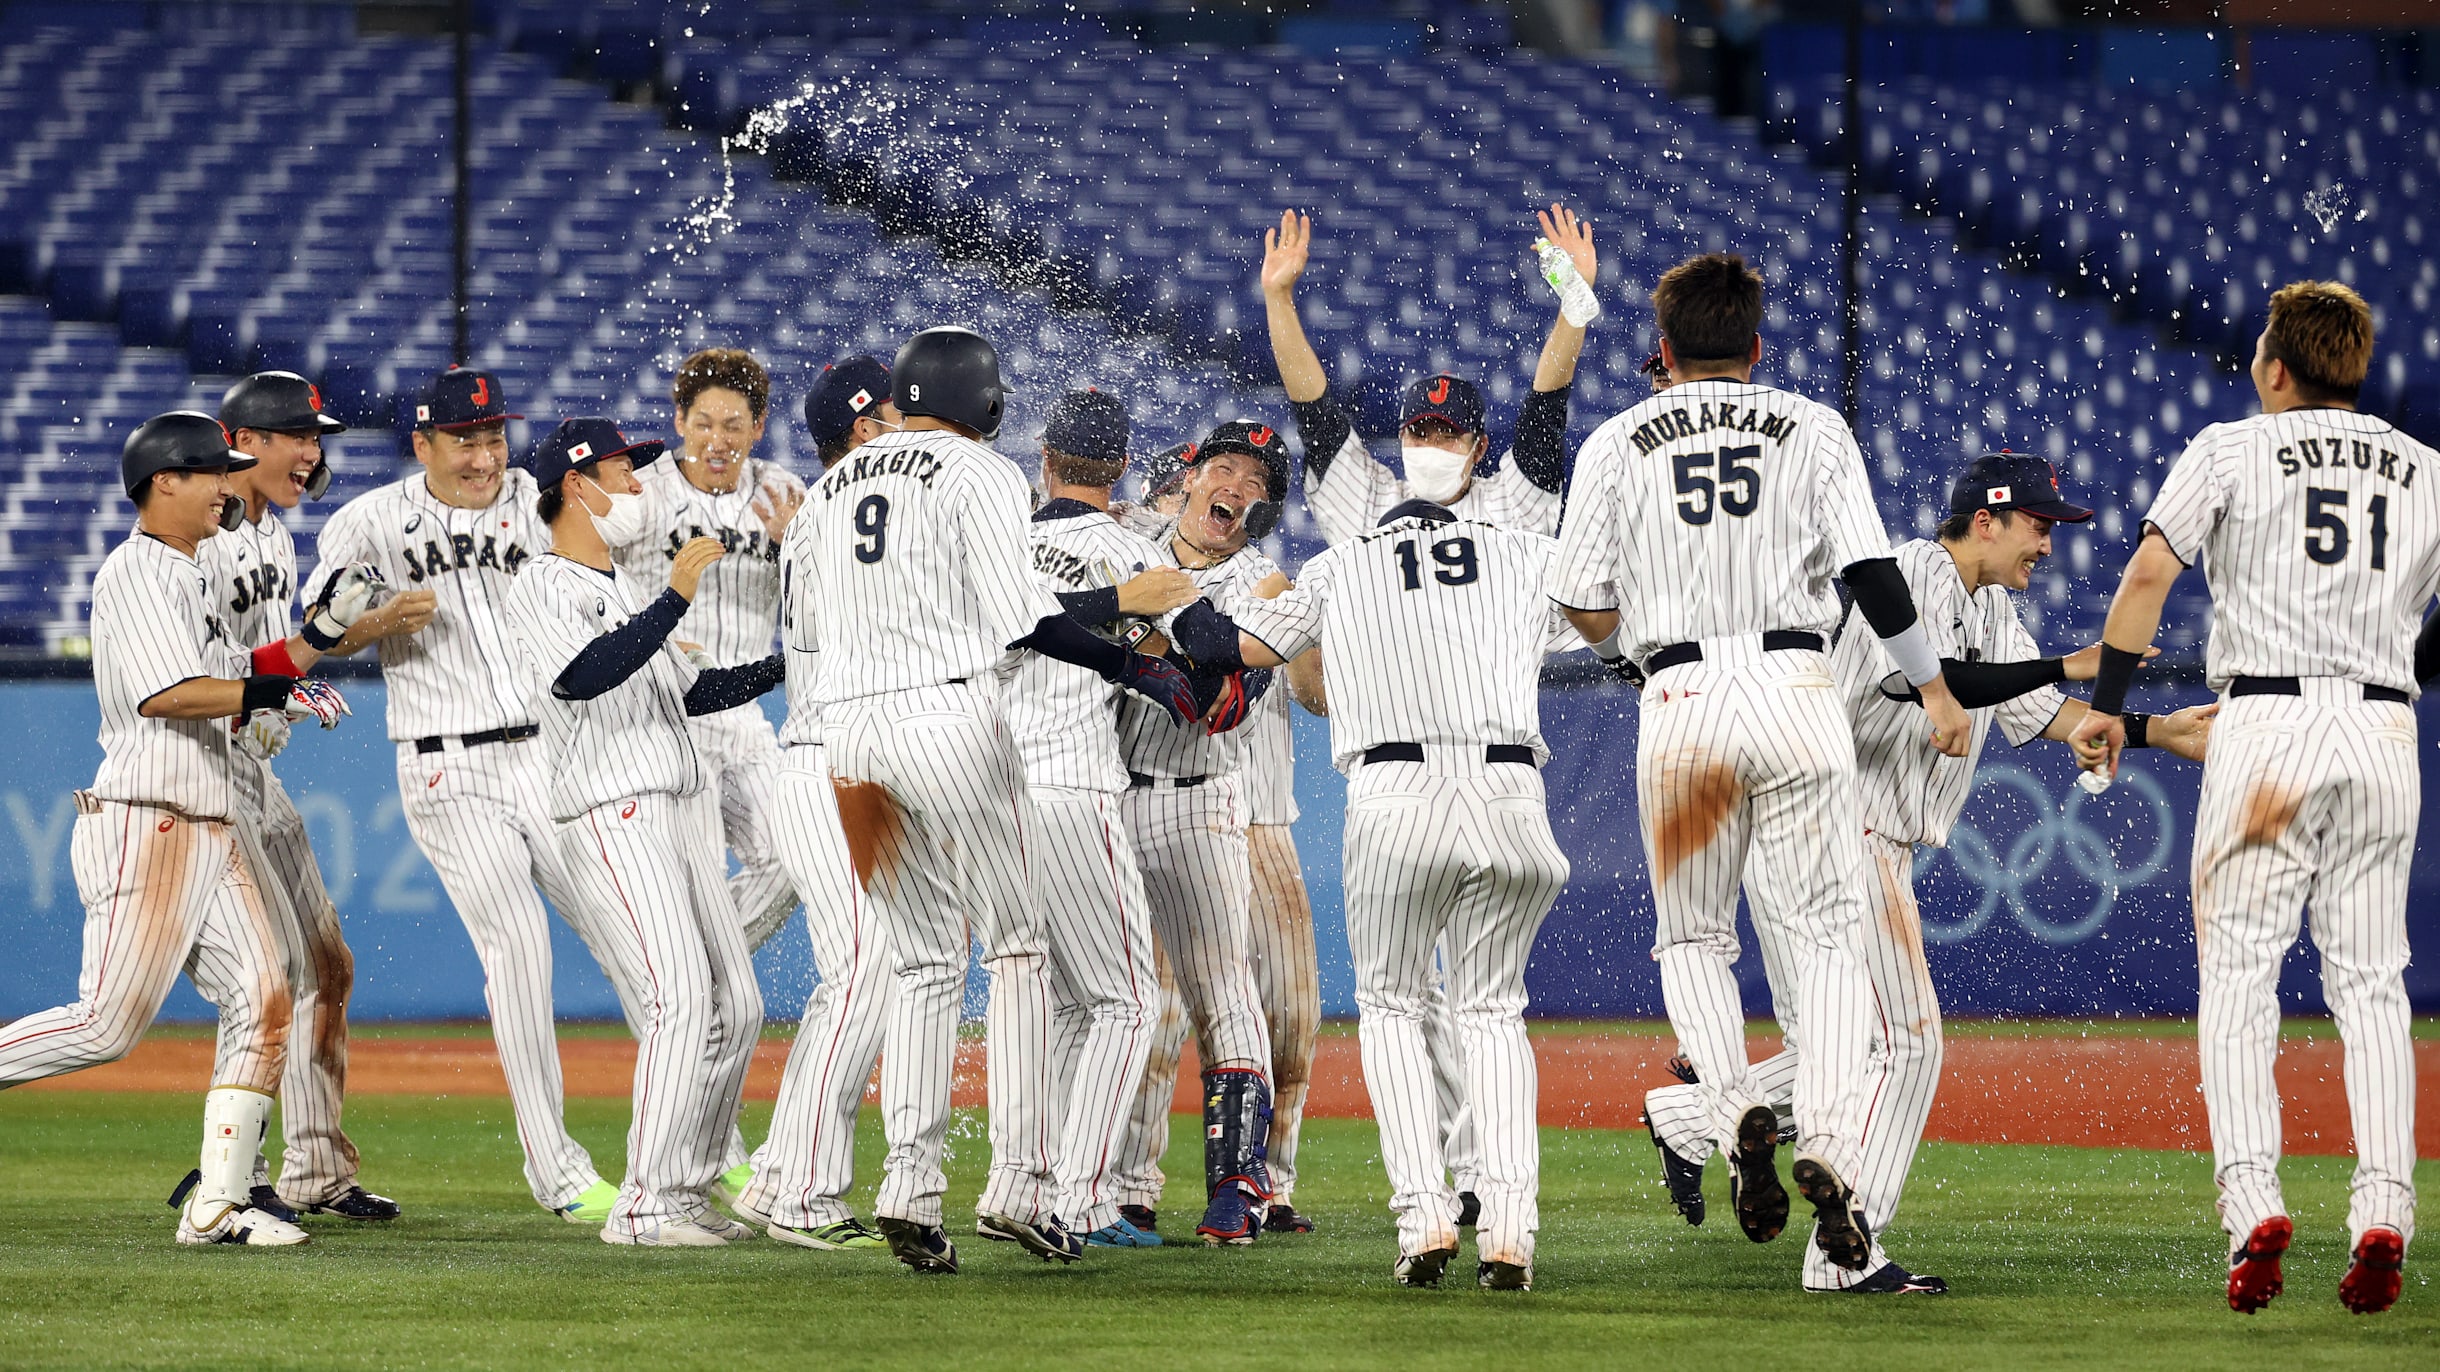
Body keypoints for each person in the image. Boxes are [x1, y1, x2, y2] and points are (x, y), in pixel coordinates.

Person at [1640, 453, 2215, 1293]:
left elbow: (2037, 710)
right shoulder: (1908, 574)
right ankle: (1845, 1255)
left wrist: (2159, 731)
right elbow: (1933, 684)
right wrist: (2068, 662)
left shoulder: (1990, 607)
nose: (2048, 544)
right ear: (1986, 518)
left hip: (1851, 838)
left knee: (1842, 1050)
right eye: (2039, 523)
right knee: (1908, 1045)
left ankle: (1692, 1121)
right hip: (1834, 832)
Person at [1549, 251, 1974, 1285]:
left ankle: (1732, 1099)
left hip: (1683, 695)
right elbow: (1874, 575)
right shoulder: (1811, 425)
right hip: (1799, 690)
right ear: (1755, 348)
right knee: (1827, 941)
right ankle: (1826, 1136)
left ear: (1661, 347)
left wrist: (1637, 644)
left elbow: (1578, 596)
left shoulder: (1615, 439)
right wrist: (1931, 688)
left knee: (1691, 933)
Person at [795, 326, 1195, 1274]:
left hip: (845, 735)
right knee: (1016, 946)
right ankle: (1018, 1183)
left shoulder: (819, 494)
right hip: (948, 719)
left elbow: (809, 629)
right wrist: (1131, 663)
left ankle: (909, 1187)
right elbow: (1028, 624)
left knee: (924, 963)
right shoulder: (978, 474)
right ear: (985, 403)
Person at [2068, 281, 2431, 1316]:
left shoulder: (2231, 447)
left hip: (2263, 725)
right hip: (2379, 729)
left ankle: (2253, 1207)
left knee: (2238, 978)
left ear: (2276, 366)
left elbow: (2147, 572)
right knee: (2370, 986)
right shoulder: (2427, 471)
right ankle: (2383, 1214)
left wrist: (2108, 706)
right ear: (2355, 368)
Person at [0, 411, 376, 1246]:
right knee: (105, 1027)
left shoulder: (196, 571)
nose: (223, 488)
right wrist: (269, 696)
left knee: (267, 996)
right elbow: (168, 692)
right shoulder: (137, 571)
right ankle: (223, 1200)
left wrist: (313, 643)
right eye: (212, 473)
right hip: (150, 820)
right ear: (164, 481)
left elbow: (242, 672)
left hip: (211, 819)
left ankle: (220, 1204)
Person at [302, 367, 632, 1224]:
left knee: (635, 943)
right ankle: (556, 1172)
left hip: (556, 755)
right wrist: (372, 623)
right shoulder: (371, 522)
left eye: (493, 436)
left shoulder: (543, 496)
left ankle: (703, 1151)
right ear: (423, 444)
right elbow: (316, 633)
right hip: (449, 764)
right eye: (464, 439)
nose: (485, 455)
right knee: (518, 948)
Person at [1232, 492, 1581, 1291]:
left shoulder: (1340, 564)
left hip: (1396, 792)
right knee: (1491, 1011)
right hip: (1511, 791)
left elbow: (1245, 647)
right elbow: (1603, 611)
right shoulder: (1518, 552)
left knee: (1391, 1006)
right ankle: (1510, 1231)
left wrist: (1227, 609)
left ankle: (1424, 1214)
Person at [504, 418, 778, 1247]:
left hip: (680, 808)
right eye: (624, 472)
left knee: (739, 1002)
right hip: (612, 809)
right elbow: (586, 675)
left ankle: (686, 1187)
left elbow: (698, 692)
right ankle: (646, 1205)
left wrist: (801, 658)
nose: (638, 487)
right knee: (681, 1000)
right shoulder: (541, 584)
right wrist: (673, 600)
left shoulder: (625, 587)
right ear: (576, 487)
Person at [202, 370, 413, 1223]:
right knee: (257, 982)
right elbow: (215, 674)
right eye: (297, 434)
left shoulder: (276, 540)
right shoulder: (202, 539)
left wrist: (314, 652)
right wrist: (285, 678)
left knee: (326, 964)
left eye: (316, 437)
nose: (312, 452)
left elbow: (273, 662)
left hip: (251, 770)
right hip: (196, 778)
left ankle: (315, 1170)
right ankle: (239, 1175)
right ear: (243, 440)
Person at [1000, 387, 1205, 1248]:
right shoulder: (1133, 551)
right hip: (1078, 787)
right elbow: (1193, 677)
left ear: (1043, 459)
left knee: (1045, 999)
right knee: (1122, 1002)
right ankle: (1071, 1199)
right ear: (1120, 464)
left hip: (992, 796)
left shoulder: (1000, 544)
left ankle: (1020, 1182)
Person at [1105, 419, 1317, 1246]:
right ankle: (1106, 1184)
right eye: (1224, 467)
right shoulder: (1126, 536)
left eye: (1256, 483)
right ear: (1188, 476)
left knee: (1224, 990)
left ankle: (1241, 1184)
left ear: (1261, 513)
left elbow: (1222, 704)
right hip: (1108, 796)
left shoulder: (1262, 585)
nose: (1236, 486)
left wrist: (1142, 631)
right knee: (1110, 1002)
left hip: (1200, 799)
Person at [733, 354, 904, 1251]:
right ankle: (800, 1188)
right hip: (826, 763)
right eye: (894, 417)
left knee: (870, 970)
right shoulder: (857, 514)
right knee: (866, 971)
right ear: (866, 430)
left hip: (841, 760)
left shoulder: (825, 516)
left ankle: (776, 1178)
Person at [604, 348, 803, 952]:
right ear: (680, 421)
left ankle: (689, 971)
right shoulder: (641, 494)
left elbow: (817, 608)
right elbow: (586, 581)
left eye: (734, 425)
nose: (717, 439)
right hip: (661, 717)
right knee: (693, 883)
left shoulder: (784, 493)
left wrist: (788, 550)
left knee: (792, 857)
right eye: (704, 424)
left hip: (743, 716)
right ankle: (684, 988)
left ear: (759, 427)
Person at [1259, 204, 1594, 543]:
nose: (1431, 446)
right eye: (1420, 433)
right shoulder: (1369, 502)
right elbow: (1313, 408)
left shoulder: (1510, 502)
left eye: (1447, 436)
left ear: (1479, 449)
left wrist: (1574, 297)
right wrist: (1278, 298)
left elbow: (1547, 402)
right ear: (1401, 437)